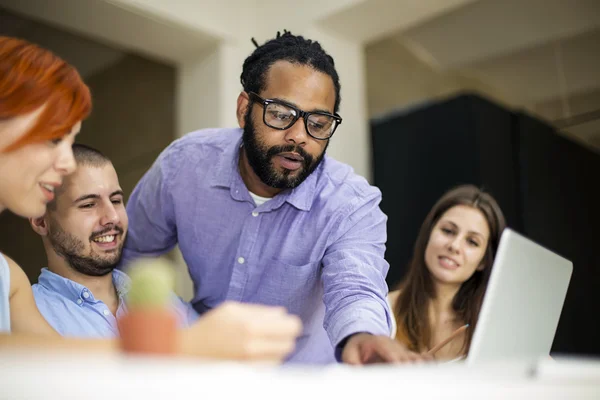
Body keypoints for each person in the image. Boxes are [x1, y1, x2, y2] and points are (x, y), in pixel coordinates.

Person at [122, 31, 426, 365]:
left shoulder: (350, 203)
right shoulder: (184, 165)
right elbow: (133, 254)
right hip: (203, 370)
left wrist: (364, 336)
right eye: (281, 115)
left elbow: (356, 288)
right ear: (244, 109)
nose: (299, 136)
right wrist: (180, 327)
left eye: (319, 123)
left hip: (299, 381)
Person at [0, 36, 301, 362]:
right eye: (53, 138)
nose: (65, 162)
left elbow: (49, 369)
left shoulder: (10, 278)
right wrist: (183, 346)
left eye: (116, 199)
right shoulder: (26, 293)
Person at [29, 144, 198, 337]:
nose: (112, 217)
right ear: (41, 220)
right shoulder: (24, 317)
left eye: (116, 200)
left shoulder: (165, 302)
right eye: (89, 204)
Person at [388, 185, 506, 361]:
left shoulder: (492, 331)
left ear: (483, 261)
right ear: (429, 233)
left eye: (472, 242)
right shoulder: (382, 309)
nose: (455, 246)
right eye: (448, 231)